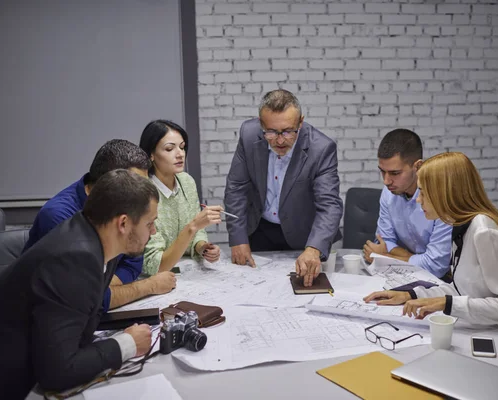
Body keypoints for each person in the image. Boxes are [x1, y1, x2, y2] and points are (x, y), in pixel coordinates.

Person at [0, 170, 158, 399]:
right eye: (150, 223)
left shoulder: (98, 239)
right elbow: (58, 372)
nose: (154, 231)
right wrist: (127, 344)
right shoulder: (75, 260)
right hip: (10, 385)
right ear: (124, 223)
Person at [364, 152, 498, 347]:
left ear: (446, 194)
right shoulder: (459, 224)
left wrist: (446, 304)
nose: (419, 201)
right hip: (489, 331)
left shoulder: (484, 232)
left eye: (424, 193)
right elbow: (461, 289)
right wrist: (411, 295)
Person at [23, 139, 176, 311]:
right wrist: (148, 286)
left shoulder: (121, 209)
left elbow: (132, 263)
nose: (143, 194)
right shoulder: (59, 217)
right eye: (136, 185)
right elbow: (83, 299)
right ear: (110, 182)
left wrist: (102, 288)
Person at [224, 89, 343, 287]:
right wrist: (237, 238)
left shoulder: (321, 148)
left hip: (304, 236)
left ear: (301, 122)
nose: (280, 140)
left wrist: (313, 249)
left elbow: (329, 205)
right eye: (271, 132)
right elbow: (236, 188)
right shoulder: (248, 134)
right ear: (261, 124)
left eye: (288, 131)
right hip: (259, 228)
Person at [362, 129, 451, 278]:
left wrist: (386, 258)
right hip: (405, 276)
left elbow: (436, 267)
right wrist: (416, 258)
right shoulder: (388, 192)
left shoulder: (442, 198)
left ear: (417, 167)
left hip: (444, 282)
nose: (386, 181)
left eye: (395, 173)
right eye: (383, 171)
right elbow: (385, 240)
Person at [139, 120, 223, 275]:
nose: (180, 154)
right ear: (151, 154)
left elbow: (197, 232)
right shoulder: (143, 192)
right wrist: (194, 226)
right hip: (154, 279)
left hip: (186, 272)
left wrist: (202, 247)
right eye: (170, 149)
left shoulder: (186, 181)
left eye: (182, 147)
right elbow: (154, 265)